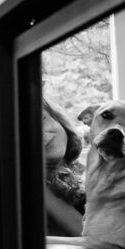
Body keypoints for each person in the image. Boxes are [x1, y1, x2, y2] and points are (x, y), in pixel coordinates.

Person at [42, 99, 87, 236]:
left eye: (42, 120)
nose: (43, 135)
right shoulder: (39, 191)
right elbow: (94, 239)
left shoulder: (81, 169)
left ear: (58, 119)